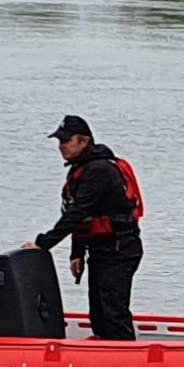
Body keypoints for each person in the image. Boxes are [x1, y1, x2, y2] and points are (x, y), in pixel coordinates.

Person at [31, 115, 143, 341]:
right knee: (99, 314)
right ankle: (104, 353)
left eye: (65, 141)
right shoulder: (81, 169)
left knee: (113, 313)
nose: (61, 147)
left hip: (120, 251)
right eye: (59, 142)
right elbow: (84, 217)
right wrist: (77, 253)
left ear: (83, 141)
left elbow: (78, 212)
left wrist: (42, 244)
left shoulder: (99, 170)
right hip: (101, 250)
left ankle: (125, 360)